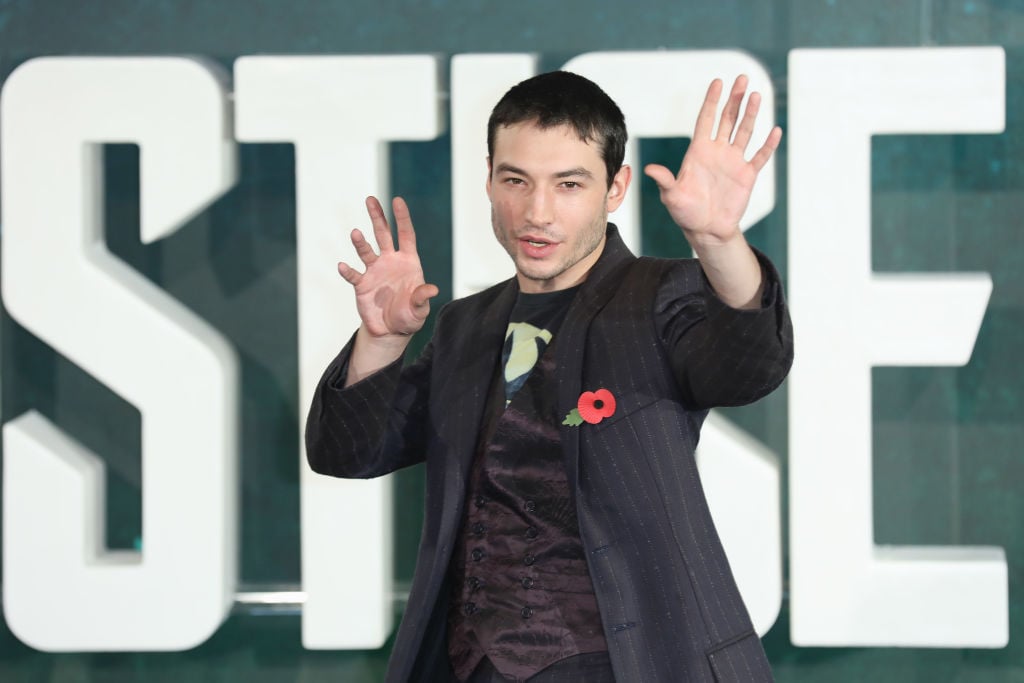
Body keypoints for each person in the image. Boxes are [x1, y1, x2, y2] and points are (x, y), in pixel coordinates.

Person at [305, 71, 793, 683]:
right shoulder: (464, 326)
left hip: (629, 664)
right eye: (516, 181)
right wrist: (382, 340)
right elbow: (346, 452)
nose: (537, 213)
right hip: (471, 666)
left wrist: (719, 241)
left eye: (569, 184)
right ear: (489, 179)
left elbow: (751, 366)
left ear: (615, 188)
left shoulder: (660, 296)